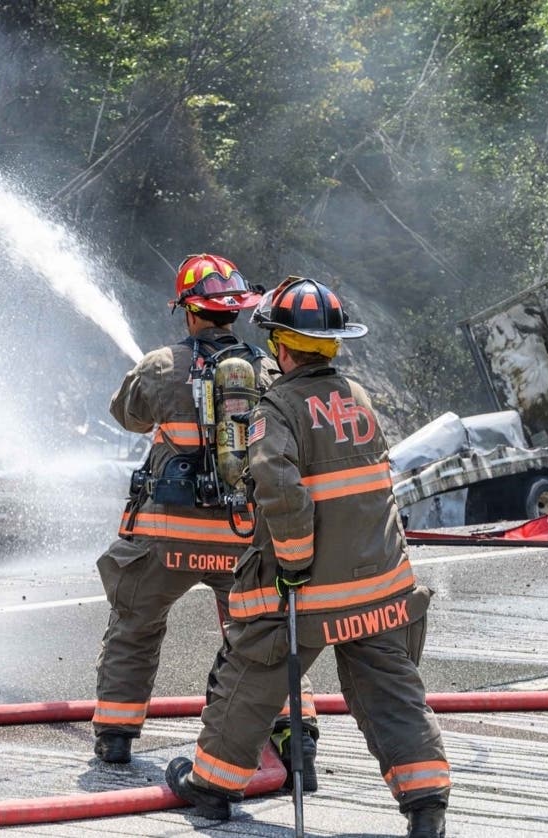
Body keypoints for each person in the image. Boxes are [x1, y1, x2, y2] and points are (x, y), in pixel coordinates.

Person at [165, 277, 450, 838]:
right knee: (391, 691)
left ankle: (214, 786)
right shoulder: (359, 397)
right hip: (381, 585)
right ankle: (426, 804)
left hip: (311, 586)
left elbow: (278, 487)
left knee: (253, 670)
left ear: (282, 347)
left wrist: (293, 564)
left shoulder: (279, 409)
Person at [92, 254, 319, 783]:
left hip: (163, 539)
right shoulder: (265, 370)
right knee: (265, 634)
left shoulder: (159, 365)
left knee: (135, 625)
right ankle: (297, 740)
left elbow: (125, 415)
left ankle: (117, 738)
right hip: (239, 539)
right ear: (236, 311)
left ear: (189, 312)